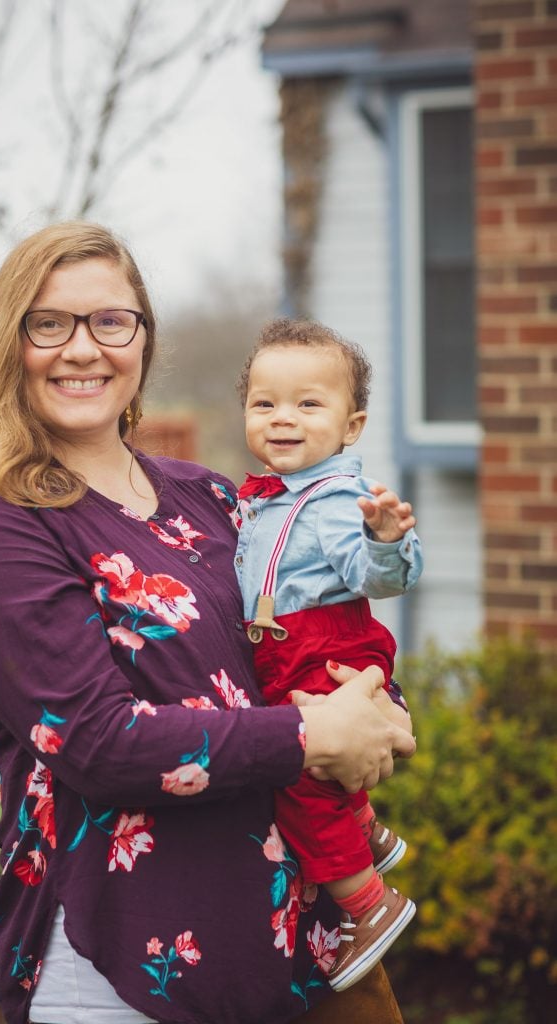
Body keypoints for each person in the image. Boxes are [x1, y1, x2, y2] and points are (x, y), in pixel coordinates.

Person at [0, 222, 415, 1024]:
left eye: (111, 321)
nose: (83, 348)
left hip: (293, 940)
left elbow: (301, 638)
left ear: (141, 338)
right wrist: (310, 736)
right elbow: (98, 744)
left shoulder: (210, 497)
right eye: (49, 323)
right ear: (9, 344)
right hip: (125, 962)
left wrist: (369, 704)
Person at [234, 317, 423, 992]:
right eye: (265, 403)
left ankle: (368, 907)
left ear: (351, 425)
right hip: (288, 645)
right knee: (311, 772)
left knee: (301, 779)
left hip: (320, 644)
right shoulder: (265, 498)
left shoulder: (338, 497)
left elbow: (381, 580)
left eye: (307, 403)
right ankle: (365, 830)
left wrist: (381, 539)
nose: (282, 417)